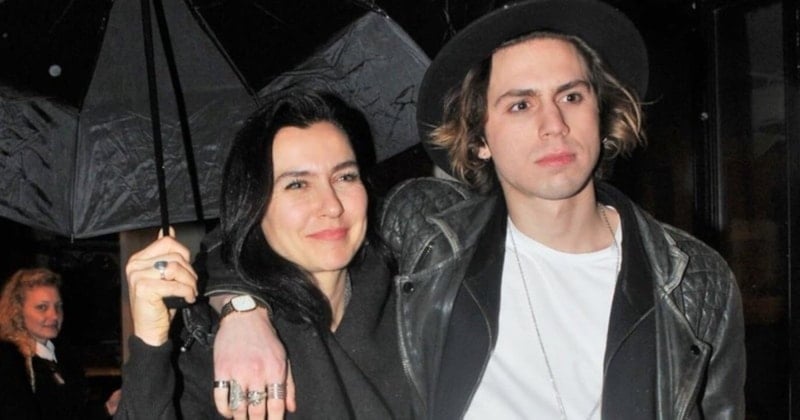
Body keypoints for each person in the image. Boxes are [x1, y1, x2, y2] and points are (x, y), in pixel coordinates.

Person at [205, 0, 746, 418]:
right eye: (520, 104)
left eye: (571, 96)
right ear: (479, 137)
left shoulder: (693, 279)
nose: (553, 124)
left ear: (601, 115)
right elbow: (265, 233)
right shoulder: (425, 231)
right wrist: (242, 311)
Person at [114, 90, 413, 419]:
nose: (332, 206)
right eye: (297, 184)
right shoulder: (220, 347)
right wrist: (150, 343)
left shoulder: (416, 303)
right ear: (254, 206)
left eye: (345, 177)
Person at [0, 267, 122, 419]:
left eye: (58, 306)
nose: (54, 315)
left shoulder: (63, 357)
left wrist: (108, 408)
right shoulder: (9, 362)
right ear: (17, 311)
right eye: (42, 307)